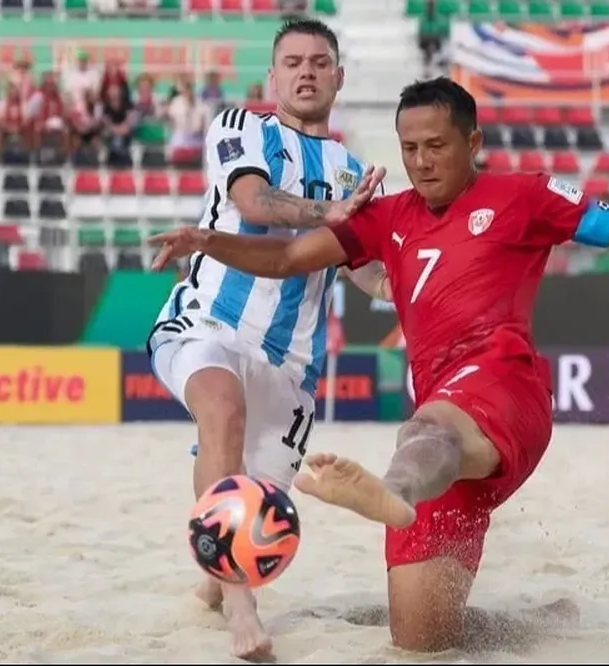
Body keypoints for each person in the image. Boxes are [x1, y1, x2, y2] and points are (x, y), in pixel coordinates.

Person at [148, 76, 609, 652]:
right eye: (409, 148)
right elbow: (287, 258)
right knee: (422, 637)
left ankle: (387, 494)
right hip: (444, 432)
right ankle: (534, 621)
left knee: (426, 434)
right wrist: (208, 240)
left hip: (503, 389)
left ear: (473, 141)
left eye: (436, 146)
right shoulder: (386, 216)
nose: (421, 162)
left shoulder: (527, 197)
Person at [146, 19, 387, 660]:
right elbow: (254, 203)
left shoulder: (355, 173)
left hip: (293, 366)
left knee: (255, 505)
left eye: (319, 62)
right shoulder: (239, 126)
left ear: (338, 77)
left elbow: (364, 272)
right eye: (292, 62)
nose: (305, 71)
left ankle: (209, 590)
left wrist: (412, 287)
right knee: (221, 413)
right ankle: (242, 605)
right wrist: (325, 214)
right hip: (207, 323)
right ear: (273, 77)